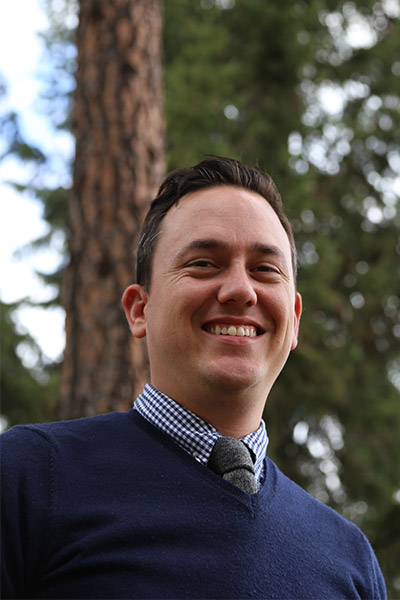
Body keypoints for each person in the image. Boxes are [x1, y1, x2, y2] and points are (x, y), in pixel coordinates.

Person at [1, 157, 386, 599]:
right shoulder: (28, 477)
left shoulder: (350, 559)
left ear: (294, 320)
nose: (241, 289)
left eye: (265, 269)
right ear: (139, 310)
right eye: (204, 263)